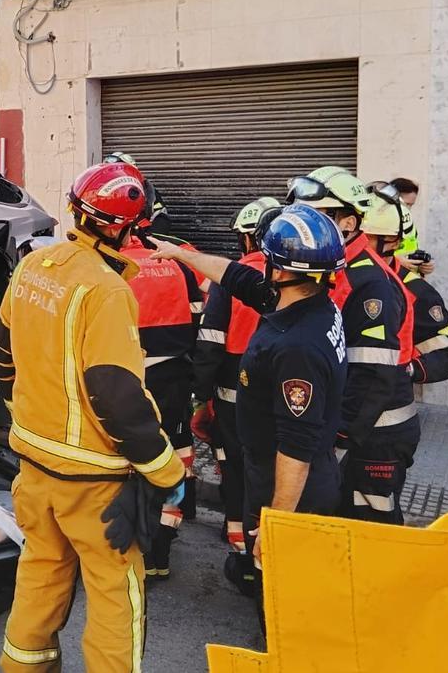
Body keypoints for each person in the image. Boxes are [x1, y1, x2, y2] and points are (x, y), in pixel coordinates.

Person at [0, 160, 185, 673]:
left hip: (33, 468)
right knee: (116, 594)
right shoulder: (107, 290)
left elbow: (1, 353)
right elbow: (117, 394)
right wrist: (166, 469)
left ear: (77, 210)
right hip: (93, 482)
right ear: (128, 226)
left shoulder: (33, 267)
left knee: (40, 573)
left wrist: (26, 416)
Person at [150, 203, 347, 620]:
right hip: (278, 474)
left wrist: (277, 523)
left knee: (284, 602)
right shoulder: (309, 302)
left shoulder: (297, 346)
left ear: (278, 269)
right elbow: (237, 277)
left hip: (291, 490)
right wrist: (183, 254)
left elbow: (296, 447)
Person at [288, 167, 418, 525]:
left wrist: (338, 438)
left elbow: (372, 374)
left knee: (368, 530)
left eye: (314, 217)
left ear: (347, 222)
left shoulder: (369, 282)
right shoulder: (335, 267)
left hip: (370, 435)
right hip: (346, 426)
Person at [105, 152, 201, 579]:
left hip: (124, 379)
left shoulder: (108, 265)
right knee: (175, 456)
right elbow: (202, 318)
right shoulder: (181, 256)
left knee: (124, 458)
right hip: (176, 377)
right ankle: (161, 552)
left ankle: (127, 548)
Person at [191, 196, 280, 591]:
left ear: (250, 238)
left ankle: (240, 543)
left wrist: (199, 394)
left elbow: (210, 343)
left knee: (235, 469)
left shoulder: (234, 278)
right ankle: (269, 548)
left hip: (232, 398)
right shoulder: (304, 278)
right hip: (280, 404)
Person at [363, 187, 448, 386]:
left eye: (364, 236)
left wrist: (403, 371)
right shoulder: (334, 278)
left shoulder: (418, 293)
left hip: (388, 405)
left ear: (391, 241)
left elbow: (446, 359)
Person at [387, 177, 436, 276]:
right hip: (390, 280)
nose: (408, 209)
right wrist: (396, 262)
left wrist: (422, 267)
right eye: (406, 204)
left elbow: (410, 251)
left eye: (411, 205)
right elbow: (370, 256)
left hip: (407, 282)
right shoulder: (377, 224)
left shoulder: (409, 223)